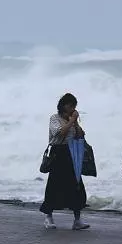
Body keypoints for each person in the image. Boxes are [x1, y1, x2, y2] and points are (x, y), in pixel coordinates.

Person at [40, 93, 89, 230]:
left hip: (72, 153)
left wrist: (75, 123)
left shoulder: (71, 119)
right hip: (58, 153)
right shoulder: (54, 118)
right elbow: (60, 133)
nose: (72, 108)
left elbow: (80, 135)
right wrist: (71, 121)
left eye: (74, 106)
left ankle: (77, 219)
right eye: (70, 105)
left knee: (76, 185)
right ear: (63, 105)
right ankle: (48, 217)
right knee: (54, 185)